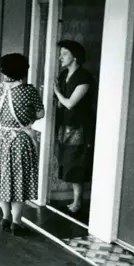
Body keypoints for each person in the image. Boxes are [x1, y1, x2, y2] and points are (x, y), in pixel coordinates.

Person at [0, 53, 45, 236]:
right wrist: (29, 118)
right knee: (20, 181)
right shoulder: (29, 91)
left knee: (3, 178)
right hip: (20, 140)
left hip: (2, 139)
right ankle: (17, 222)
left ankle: (5, 216)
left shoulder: (0, 90)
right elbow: (40, 113)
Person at [53, 40, 95, 215]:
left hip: (80, 127)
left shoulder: (84, 78)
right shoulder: (64, 75)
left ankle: (78, 201)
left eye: (65, 53)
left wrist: (56, 92)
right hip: (65, 125)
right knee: (66, 160)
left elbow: (70, 103)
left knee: (76, 162)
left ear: (75, 57)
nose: (60, 57)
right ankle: (75, 199)